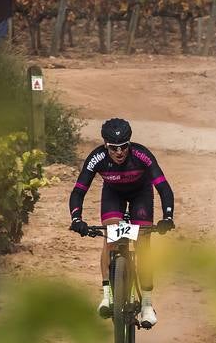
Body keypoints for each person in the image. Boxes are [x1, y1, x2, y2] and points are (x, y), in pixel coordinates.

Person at [68, 118, 175, 327]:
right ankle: (107, 296)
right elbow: (79, 190)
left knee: (143, 244)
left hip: (141, 195)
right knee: (110, 237)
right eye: (113, 148)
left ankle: (146, 304)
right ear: (105, 145)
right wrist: (76, 219)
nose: (119, 152)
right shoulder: (97, 157)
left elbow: (163, 187)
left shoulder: (142, 155)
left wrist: (168, 217)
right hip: (113, 195)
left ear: (129, 144)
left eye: (124, 147)